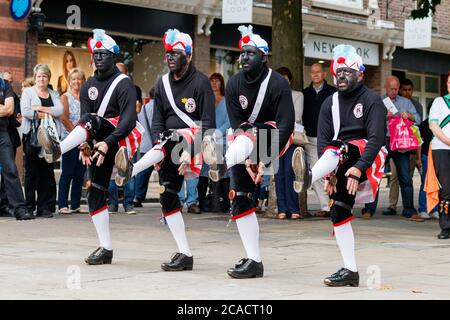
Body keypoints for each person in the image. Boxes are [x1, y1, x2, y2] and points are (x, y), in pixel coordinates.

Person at [38, 29, 142, 264]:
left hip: (119, 138)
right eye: (95, 54)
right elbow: (85, 119)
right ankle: (105, 248)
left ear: (113, 56)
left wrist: (107, 142)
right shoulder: (88, 86)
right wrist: (86, 143)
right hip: (97, 140)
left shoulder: (124, 83)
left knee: (90, 120)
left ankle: (58, 149)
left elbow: (129, 120)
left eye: (103, 54)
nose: (98, 58)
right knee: (95, 192)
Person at [114, 28, 215, 271]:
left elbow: (208, 123)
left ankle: (133, 169)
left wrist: (191, 150)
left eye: (176, 53)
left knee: (172, 139)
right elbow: (158, 118)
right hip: (167, 144)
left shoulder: (201, 83)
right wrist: (160, 140)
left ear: (188, 56)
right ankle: (185, 253)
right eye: (168, 53)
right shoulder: (162, 84)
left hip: (194, 142)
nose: (170, 57)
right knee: (168, 197)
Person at [202, 25, 295, 278]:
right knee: (241, 198)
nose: (243, 57)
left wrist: (265, 158)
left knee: (244, 141)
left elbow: (286, 124)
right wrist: (247, 155)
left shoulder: (277, 84)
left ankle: (220, 160)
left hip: (272, 136)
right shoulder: (233, 83)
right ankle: (254, 260)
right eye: (242, 53)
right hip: (244, 138)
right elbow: (237, 122)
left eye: (250, 53)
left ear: (264, 56)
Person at [292, 45, 387, 286]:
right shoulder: (329, 103)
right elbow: (323, 142)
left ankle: (308, 177)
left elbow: (377, 139)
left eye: (347, 71)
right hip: (339, 158)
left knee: (340, 146)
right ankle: (350, 270)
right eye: (338, 71)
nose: (341, 75)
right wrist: (332, 174)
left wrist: (360, 168)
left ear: (360, 74)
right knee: (339, 210)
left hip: (368, 156)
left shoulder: (372, 100)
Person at [21, 64, 63, 218]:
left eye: (44, 76)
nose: (41, 79)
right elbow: (25, 111)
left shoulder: (54, 93)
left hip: (49, 138)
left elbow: (60, 110)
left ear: (48, 78)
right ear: (35, 77)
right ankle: (29, 206)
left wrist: (39, 109)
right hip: (32, 138)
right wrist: (48, 114)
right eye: (39, 76)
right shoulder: (28, 92)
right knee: (32, 174)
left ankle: (44, 207)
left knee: (46, 173)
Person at [381, 76, 422, 220]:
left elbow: (418, 119)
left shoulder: (406, 102)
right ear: (386, 87)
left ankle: (409, 209)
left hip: (400, 142)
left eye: (396, 89)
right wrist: (383, 116)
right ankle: (369, 208)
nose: (394, 91)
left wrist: (409, 115)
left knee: (405, 177)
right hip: (383, 141)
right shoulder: (380, 102)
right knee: (374, 175)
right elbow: (369, 121)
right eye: (391, 89)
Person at [302, 63, 337, 218]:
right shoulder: (305, 94)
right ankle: (326, 206)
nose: (315, 75)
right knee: (315, 173)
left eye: (318, 72)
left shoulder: (333, 93)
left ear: (324, 74)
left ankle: (337, 204)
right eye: (312, 72)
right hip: (310, 138)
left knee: (333, 173)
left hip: (330, 139)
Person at [105, 62, 141, 215]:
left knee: (128, 167)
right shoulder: (108, 88)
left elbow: (135, 110)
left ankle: (128, 203)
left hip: (128, 132)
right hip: (112, 132)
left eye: (121, 72)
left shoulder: (131, 89)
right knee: (113, 170)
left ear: (126, 74)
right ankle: (112, 203)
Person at [0, 75, 34, 220]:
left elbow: (9, 109)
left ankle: (20, 209)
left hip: (2, 133)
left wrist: (5, 108)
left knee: (11, 170)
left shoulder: (4, 84)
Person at [198, 73, 231, 213]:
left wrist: (217, 133)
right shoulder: (206, 100)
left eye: (217, 80)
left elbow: (229, 122)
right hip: (206, 141)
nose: (214, 83)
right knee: (203, 174)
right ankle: (201, 202)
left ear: (221, 83)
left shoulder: (226, 101)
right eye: (212, 80)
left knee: (222, 174)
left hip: (222, 141)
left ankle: (222, 202)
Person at [274, 66, 303, 220]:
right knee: (278, 174)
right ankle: (282, 209)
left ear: (290, 81)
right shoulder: (271, 96)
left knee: (290, 172)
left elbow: (296, 116)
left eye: (285, 80)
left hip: (292, 138)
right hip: (276, 138)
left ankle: (294, 208)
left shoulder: (297, 95)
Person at [58, 68, 87, 214]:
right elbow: (63, 118)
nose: (76, 81)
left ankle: (75, 204)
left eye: (79, 78)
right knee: (67, 172)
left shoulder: (86, 97)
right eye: (74, 79)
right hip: (69, 139)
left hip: (84, 141)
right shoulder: (65, 97)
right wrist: (76, 135)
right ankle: (62, 204)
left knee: (79, 174)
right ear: (69, 81)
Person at [427, 72, 450, 239]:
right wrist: (448, 141)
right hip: (441, 148)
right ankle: (446, 227)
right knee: (446, 189)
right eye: (449, 82)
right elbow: (433, 125)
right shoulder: (439, 102)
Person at [133, 87, 156, 208]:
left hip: (145, 144)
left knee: (142, 171)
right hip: (157, 144)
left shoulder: (144, 109)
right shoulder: (160, 108)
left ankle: (138, 196)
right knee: (164, 172)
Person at [418, 102, 438, 219]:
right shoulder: (425, 124)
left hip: (438, 156)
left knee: (437, 184)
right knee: (425, 183)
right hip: (426, 157)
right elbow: (419, 144)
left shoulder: (441, 124)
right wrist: (419, 159)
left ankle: (434, 209)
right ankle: (423, 209)